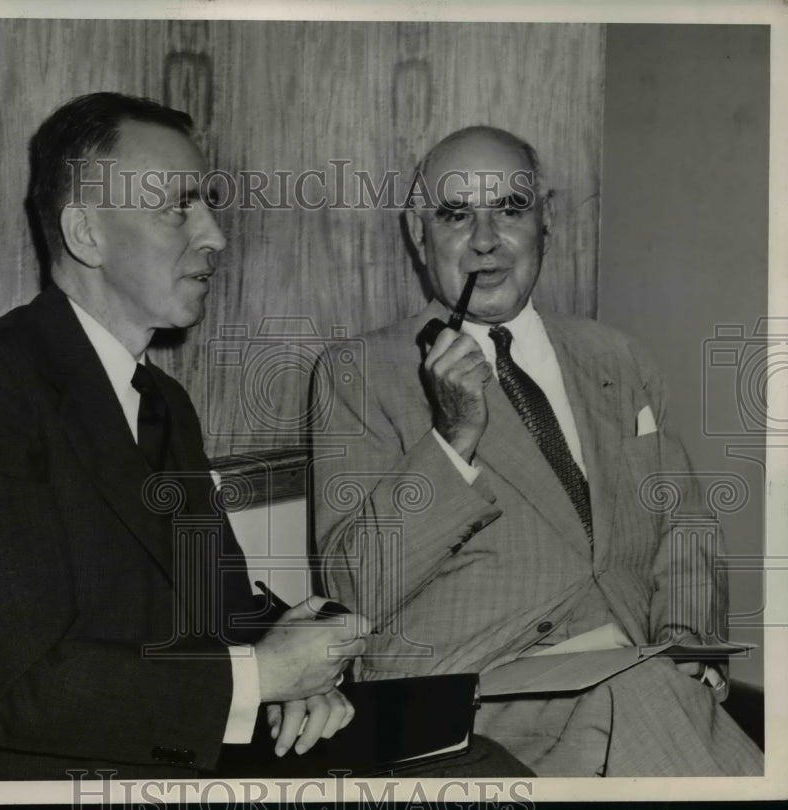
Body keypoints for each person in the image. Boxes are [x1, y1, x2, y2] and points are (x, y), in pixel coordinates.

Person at [0, 92, 368, 780]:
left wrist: (311, 653)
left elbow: (222, 606)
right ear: (86, 234)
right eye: (179, 207)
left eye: (209, 204)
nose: (215, 235)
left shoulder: (164, 402)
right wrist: (261, 679)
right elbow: (21, 692)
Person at [311, 125, 763, 776]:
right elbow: (353, 589)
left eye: (511, 210)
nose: (487, 242)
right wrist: (452, 439)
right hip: (468, 695)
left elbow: (685, 523)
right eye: (456, 215)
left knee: (650, 692)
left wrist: (687, 641)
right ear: (419, 234)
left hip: (638, 672)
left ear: (544, 221)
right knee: (647, 701)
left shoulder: (617, 356)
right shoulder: (359, 372)